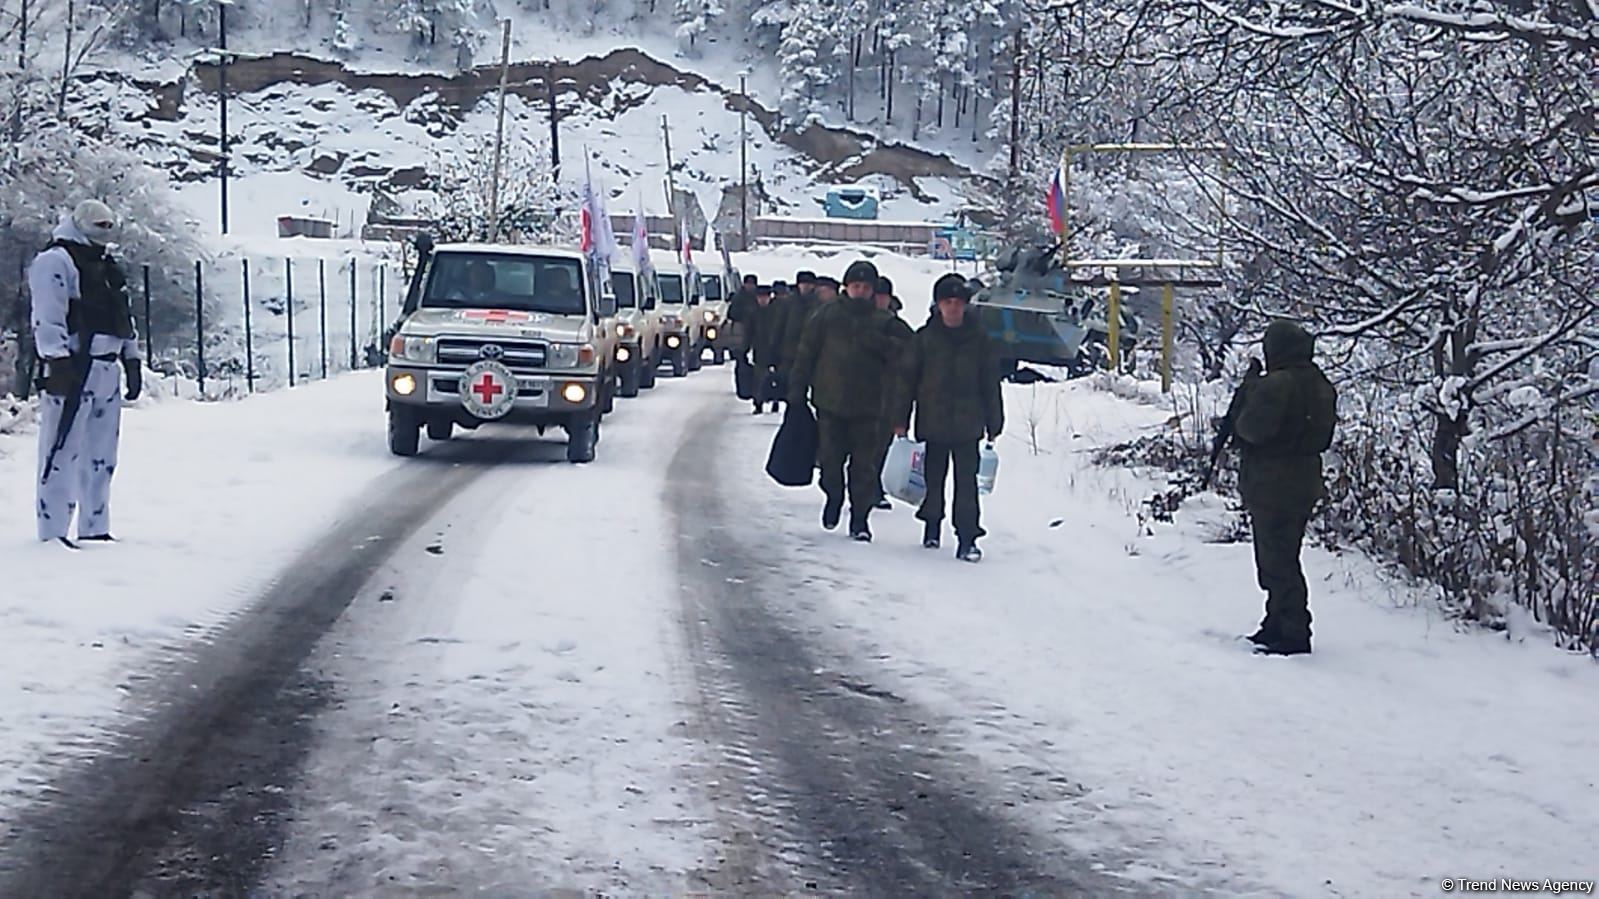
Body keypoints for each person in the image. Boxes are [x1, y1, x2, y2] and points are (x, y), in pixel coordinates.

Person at [30, 200, 142, 549]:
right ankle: (53, 533)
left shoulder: (107, 265)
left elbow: (123, 316)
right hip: (75, 366)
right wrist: (57, 360)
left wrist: (132, 358)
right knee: (61, 451)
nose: (105, 235)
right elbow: (48, 315)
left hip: (108, 367)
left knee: (102, 455)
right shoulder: (55, 261)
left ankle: (95, 527)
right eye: (99, 227)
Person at [1229, 319, 1338, 655]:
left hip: (1272, 481)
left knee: (1276, 560)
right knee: (1284, 554)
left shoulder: (1276, 385)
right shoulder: (1320, 383)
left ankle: (1292, 630)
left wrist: (1250, 396)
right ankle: (1276, 622)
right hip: (1304, 478)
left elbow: (1251, 429)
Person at [893, 273, 1003, 562]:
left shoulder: (980, 341)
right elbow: (906, 380)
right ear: (938, 304)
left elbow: (990, 382)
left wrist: (995, 421)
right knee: (934, 479)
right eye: (947, 302)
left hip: (969, 424)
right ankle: (931, 524)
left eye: (958, 302)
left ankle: (967, 538)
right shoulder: (925, 339)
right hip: (934, 421)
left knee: (967, 484)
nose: (953, 308)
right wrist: (900, 419)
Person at [787, 260, 898, 541]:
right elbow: (806, 353)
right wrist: (796, 393)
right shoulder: (827, 316)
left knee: (863, 467)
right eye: (855, 286)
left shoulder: (884, 322)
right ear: (846, 287)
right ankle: (833, 496)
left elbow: (906, 360)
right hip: (830, 403)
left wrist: (880, 344)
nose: (859, 291)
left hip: (870, 407)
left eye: (865, 287)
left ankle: (860, 519)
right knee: (830, 462)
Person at [871, 275, 913, 510]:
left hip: (890, 393)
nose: (879, 300)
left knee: (882, 444)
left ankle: (874, 487)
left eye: (883, 296)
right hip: (860, 391)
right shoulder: (858, 322)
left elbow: (913, 353)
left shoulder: (898, 326)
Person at [749, 284, 785, 414]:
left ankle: (775, 400)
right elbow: (749, 331)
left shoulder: (778, 312)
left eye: (765, 297)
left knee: (775, 378)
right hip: (760, 350)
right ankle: (758, 403)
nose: (762, 300)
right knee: (759, 378)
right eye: (760, 297)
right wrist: (744, 348)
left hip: (776, 349)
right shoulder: (753, 312)